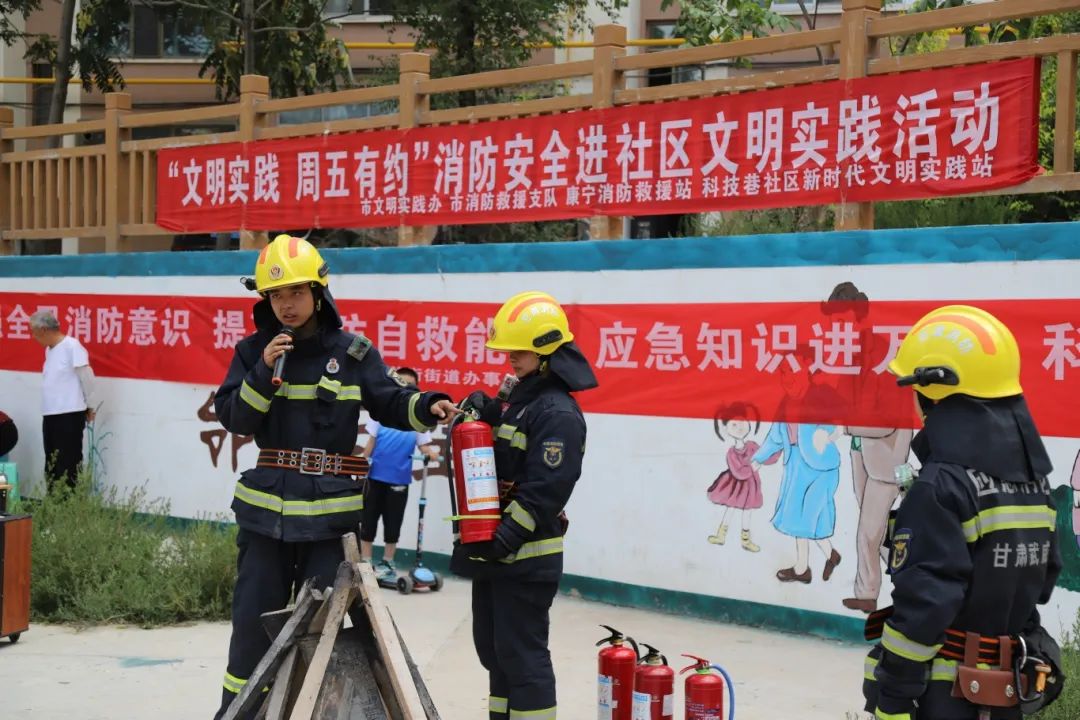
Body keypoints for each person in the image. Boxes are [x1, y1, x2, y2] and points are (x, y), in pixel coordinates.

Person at [212, 234, 457, 719]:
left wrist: (428, 404)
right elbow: (236, 419)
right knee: (250, 637)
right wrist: (262, 371)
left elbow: (391, 400)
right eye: (276, 295)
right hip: (265, 522)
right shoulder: (254, 352)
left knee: (319, 636)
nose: (286, 305)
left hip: (327, 524)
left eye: (296, 292)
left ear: (319, 292)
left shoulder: (352, 354)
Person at [863, 305, 1063, 720]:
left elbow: (924, 609)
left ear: (934, 392)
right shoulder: (1036, 485)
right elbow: (1042, 583)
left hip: (945, 697)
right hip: (1007, 692)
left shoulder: (941, 487)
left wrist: (893, 701)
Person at [451, 290, 598, 720]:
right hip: (498, 551)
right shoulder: (520, 404)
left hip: (526, 555)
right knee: (495, 653)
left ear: (546, 351)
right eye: (508, 349)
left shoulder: (557, 413)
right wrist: (486, 414)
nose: (510, 358)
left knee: (523, 658)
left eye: (519, 350)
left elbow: (546, 489)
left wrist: (505, 537)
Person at [360, 366, 441, 582]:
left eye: (409, 385)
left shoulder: (418, 422)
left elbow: (424, 447)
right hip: (374, 478)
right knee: (368, 520)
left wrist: (431, 453)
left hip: (399, 481)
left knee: (393, 522)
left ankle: (388, 562)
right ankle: (365, 562)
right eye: (400, 383)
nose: (404, 388)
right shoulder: (379, 414)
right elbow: (371, 444)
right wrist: (360, 463)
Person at [29, 310, 96, 492]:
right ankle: (54, 503)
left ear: (44, 329)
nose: (34, 337)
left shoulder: (71, 346)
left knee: (69, 463)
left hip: (69, 414)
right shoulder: (49, 350)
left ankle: (70, 503)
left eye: (34, 332)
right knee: (52, 464)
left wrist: (90, 405)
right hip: (50, 414)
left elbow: (87, 377)